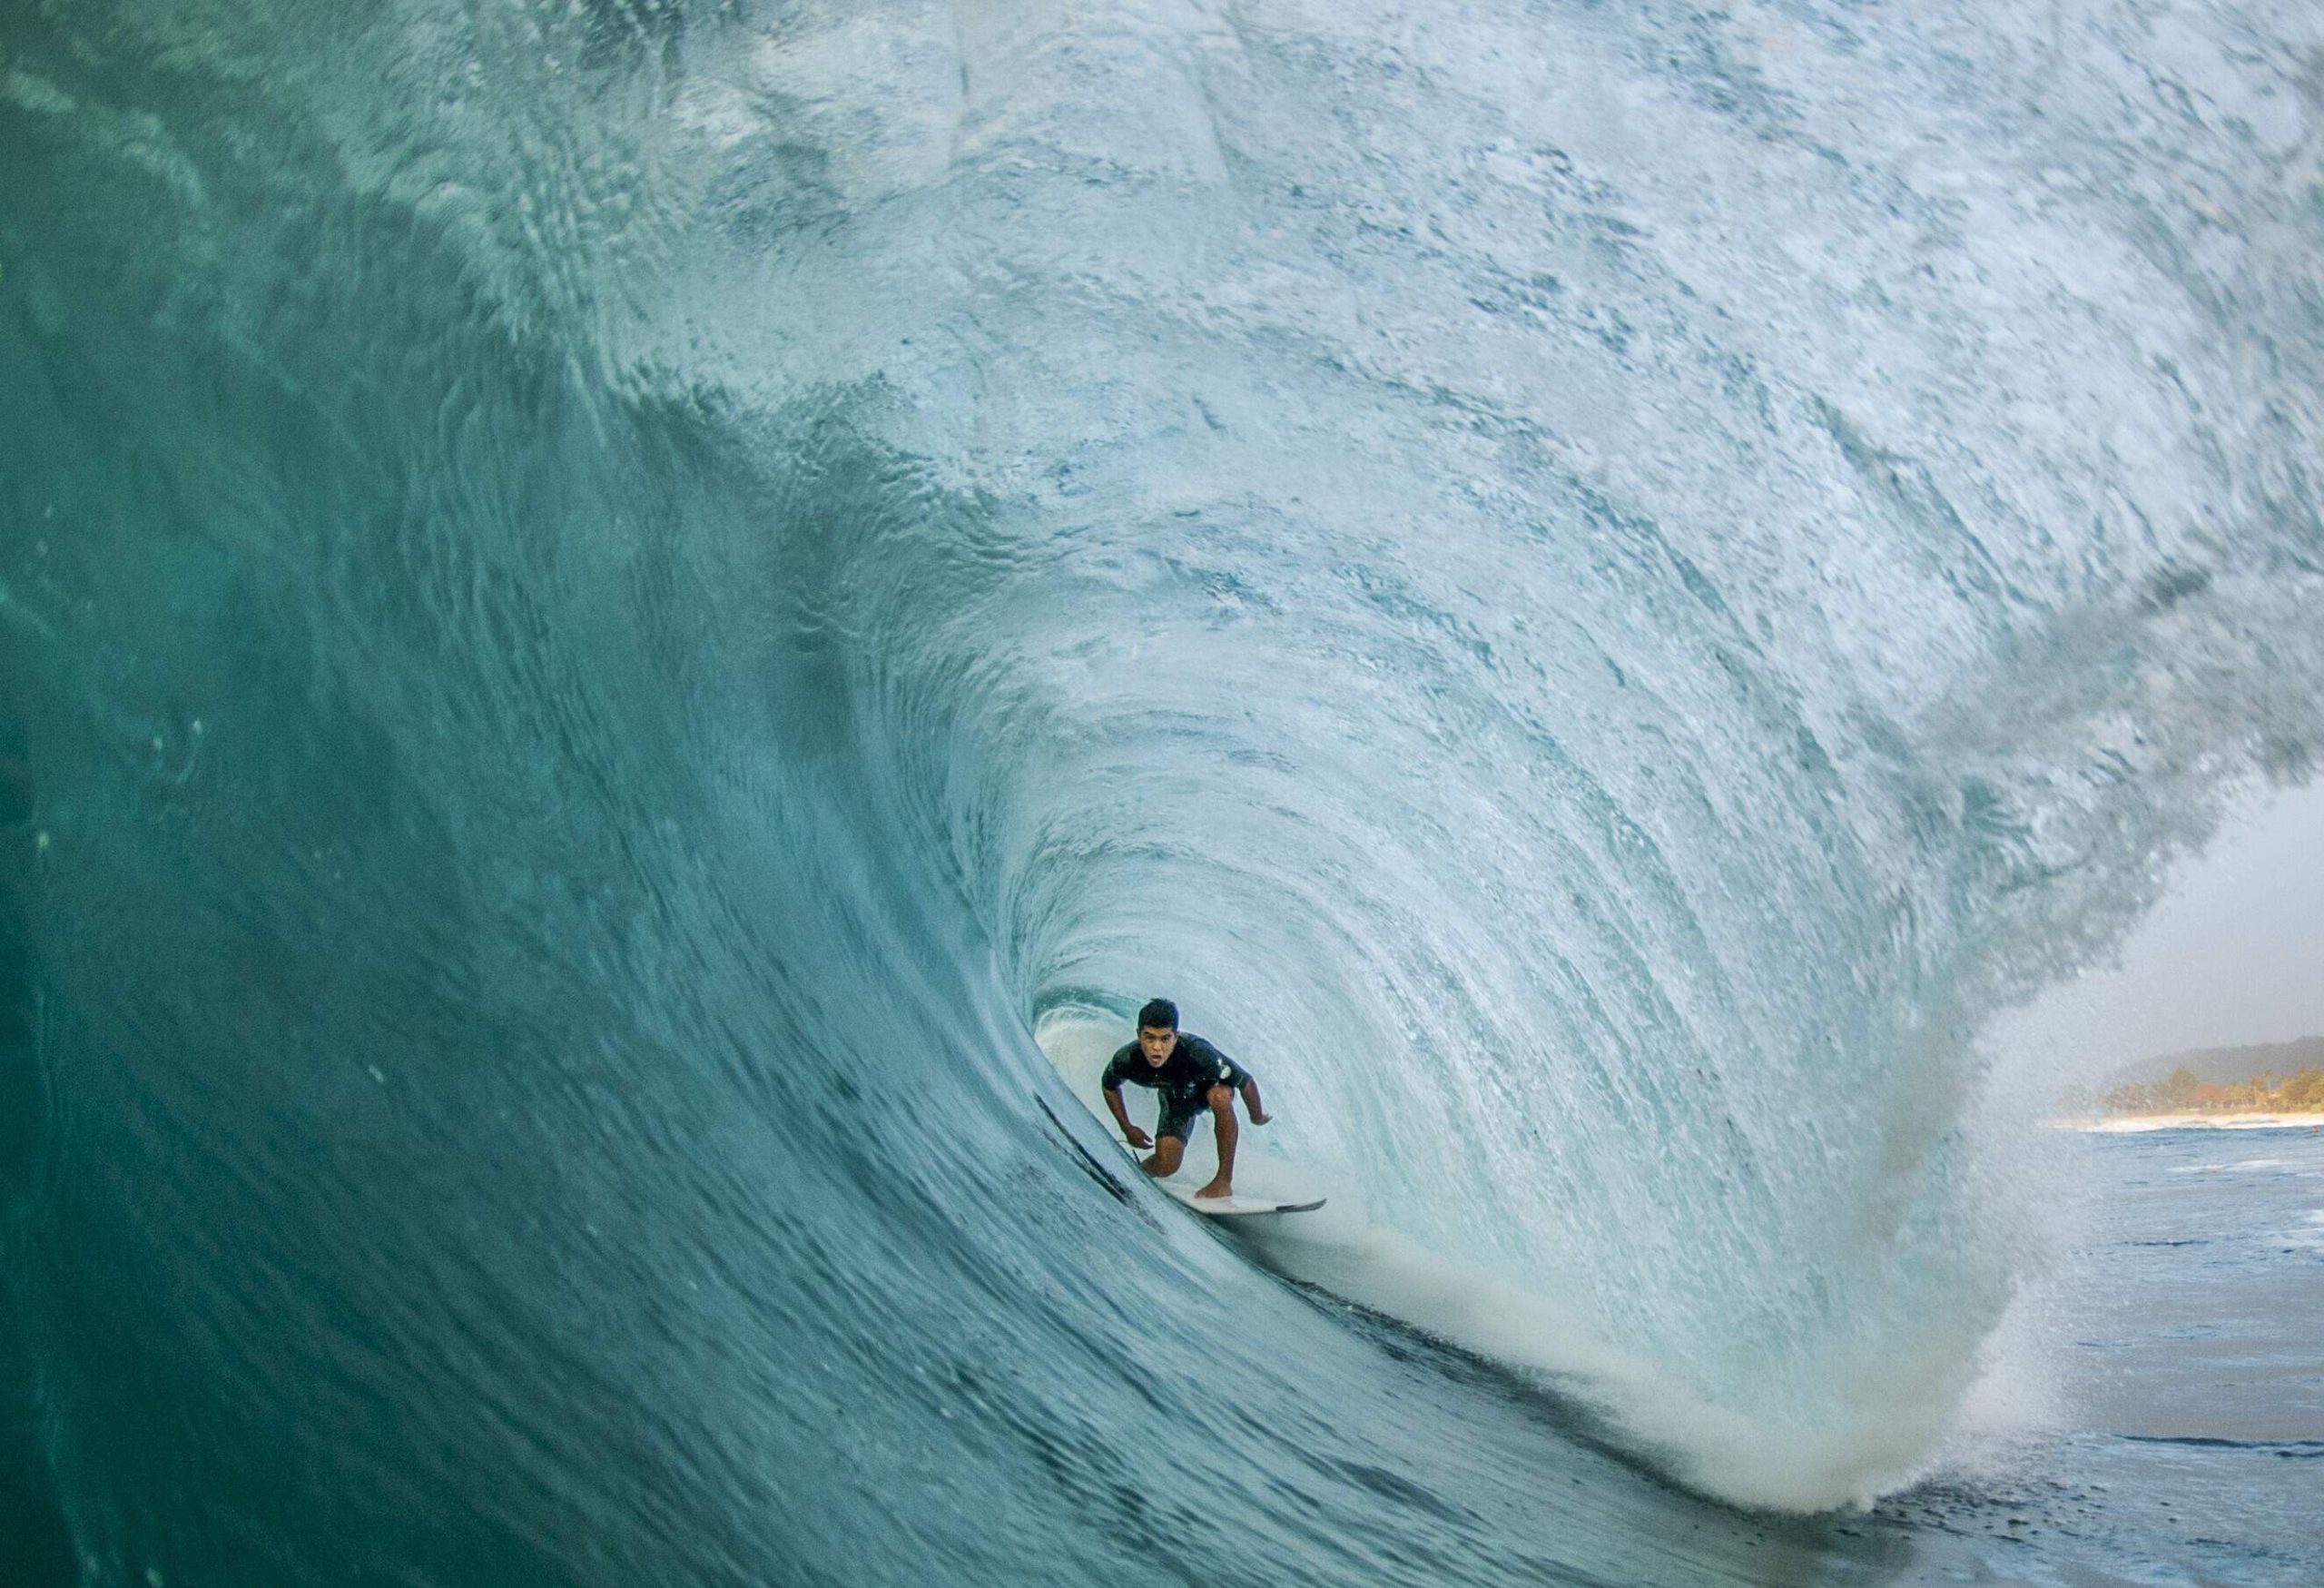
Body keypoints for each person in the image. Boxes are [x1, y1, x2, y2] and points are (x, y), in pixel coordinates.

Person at [1100, 998, 1269, 1198]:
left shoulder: (1199, 1053)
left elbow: (1246, 1081)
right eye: (1149, 1038)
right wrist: (1127, 1128)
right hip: (1177, 1098)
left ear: (1176, 1037)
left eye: (1165, 1039)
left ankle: (1223, 1181)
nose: (1157, 1048)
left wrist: (1256, 1116)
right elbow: (1109, 1086)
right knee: (1167, 1164)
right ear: (1139, 1035)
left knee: (1220, 1096)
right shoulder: (1127, 1059)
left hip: (1210, 1089)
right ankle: (1133, 1178)